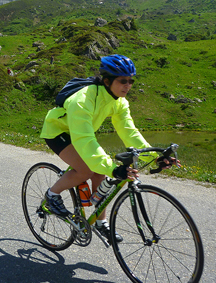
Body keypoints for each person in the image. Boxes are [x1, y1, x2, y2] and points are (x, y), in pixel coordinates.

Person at [40, 54, 175, 242]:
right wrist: (112, 168)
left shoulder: (119, 101)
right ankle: (52, 195)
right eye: (122, 81)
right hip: (58, 132)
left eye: (131, 81)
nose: (128, 85)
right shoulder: (83, 99)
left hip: (80, 133)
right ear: (106, 81)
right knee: (86, 169)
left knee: (99, 172)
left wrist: (154, 156)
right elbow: (84, 140)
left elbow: (129, 131)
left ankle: (100, 222)